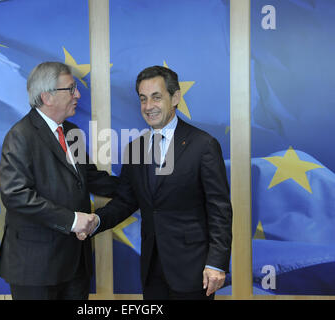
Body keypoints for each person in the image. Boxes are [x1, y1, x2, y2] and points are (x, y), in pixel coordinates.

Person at [82, 66, 232, 300]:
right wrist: (96, 221)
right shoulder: (135, 148)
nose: (148, 106)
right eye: (143, 99)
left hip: (194, 269)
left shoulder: (203, 145)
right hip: (152, 270)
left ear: (175, 98)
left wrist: (217, 263)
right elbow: (126, 200)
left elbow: (219, 209)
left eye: (156, 97)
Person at [0, 61, 119, 300]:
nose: (78, 95)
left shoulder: (71, 133)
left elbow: (90, 177)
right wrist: (72, 220)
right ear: (47, 97)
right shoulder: (20, 135)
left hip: (74, 264)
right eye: (71, 89)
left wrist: (140, 186)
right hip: (36, 268)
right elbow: (15, 195)